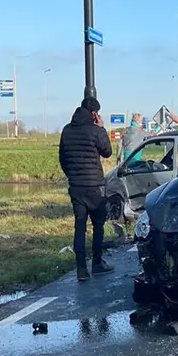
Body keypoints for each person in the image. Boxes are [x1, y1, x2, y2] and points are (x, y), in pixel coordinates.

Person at [59, 97, 115, 282]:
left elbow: (63, 159)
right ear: (94, 113)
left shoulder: (67, 130)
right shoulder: (94, 130)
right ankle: (97, 264)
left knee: (79, 227)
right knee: (98, 225)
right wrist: (101, 128)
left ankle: (81, 270)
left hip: (76, 187)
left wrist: (73, 176)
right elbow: (107, 151)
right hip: (94, 186)